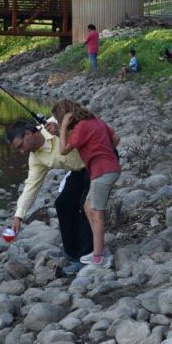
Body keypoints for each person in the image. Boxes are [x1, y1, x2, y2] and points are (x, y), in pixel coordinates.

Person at [5, 118, 92, 274]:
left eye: (20, 146)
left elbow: (84, 123)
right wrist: (18, 216)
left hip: (97, 160)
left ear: (28, 133)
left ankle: (87, 256)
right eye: (18, 150)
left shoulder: (54, 124)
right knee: (63, 203)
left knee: (86, 205)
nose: (22, 151)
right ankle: (72, 253)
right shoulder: (36, 158)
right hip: (79, 170)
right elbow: (31, 186)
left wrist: (62, 129)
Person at [55, 99, 120, 269]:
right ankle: (100, 249)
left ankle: (98, 257)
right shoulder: (95, 120)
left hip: (102, 172)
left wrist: (62, 129)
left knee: (96, 213)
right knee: (87, 206)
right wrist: (105, 152)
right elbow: (116, 138)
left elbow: (63, 150)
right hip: (107, 169)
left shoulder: (81, 127)